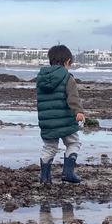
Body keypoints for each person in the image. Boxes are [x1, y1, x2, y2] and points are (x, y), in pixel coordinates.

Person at [35, 44, 85, 185]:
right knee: (73, 143)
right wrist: (79, 112)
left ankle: (45, 178)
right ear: (68, 61)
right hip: (65, 121)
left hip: (47, 121)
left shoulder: (41, 78)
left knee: (49, 147)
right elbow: (73, 97)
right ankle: (68, 172)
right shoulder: (67, 77)